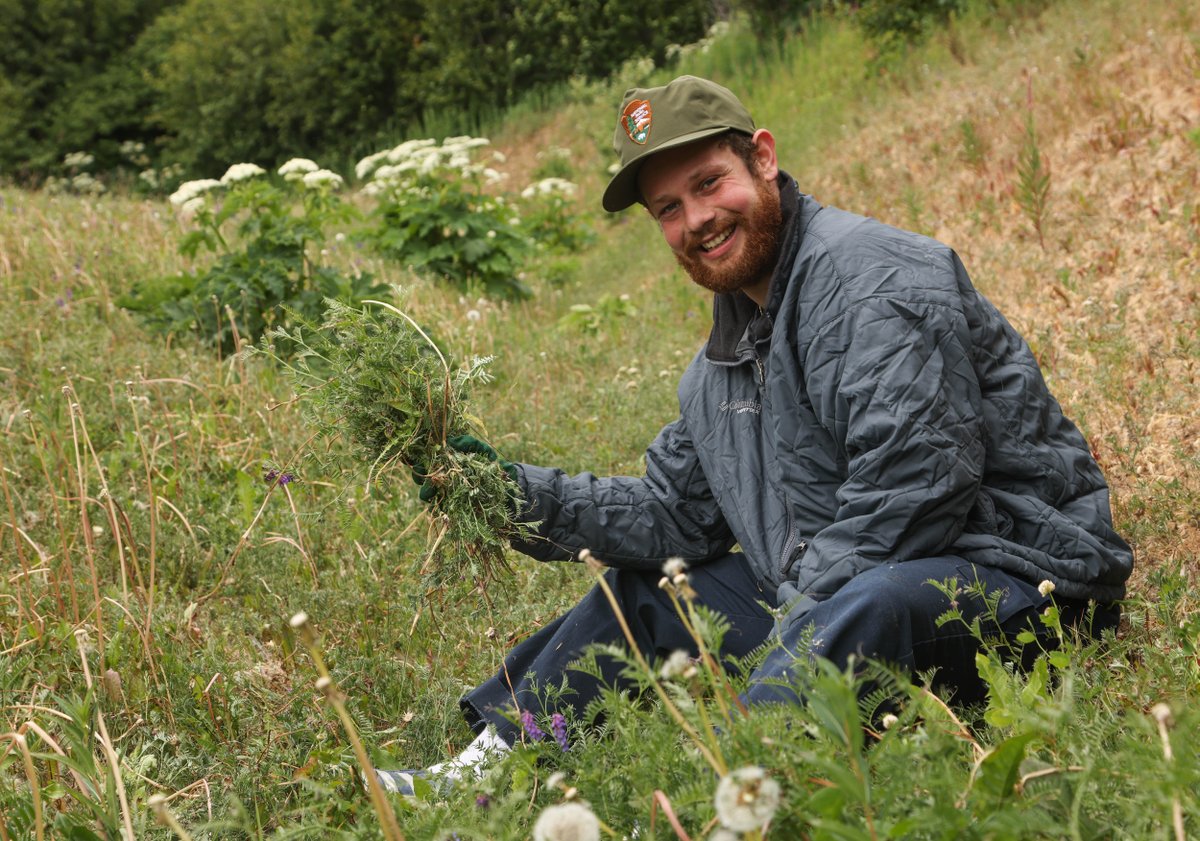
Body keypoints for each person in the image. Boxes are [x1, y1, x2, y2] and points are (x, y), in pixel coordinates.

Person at [376, 75, 1133, 794]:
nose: (695, 219)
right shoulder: (721, 365)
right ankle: (484, 772)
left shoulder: (870, 280)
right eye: (668, 208)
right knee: (646, 590)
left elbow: (915, 490)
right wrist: (508, 495)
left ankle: (735, 793)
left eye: (709, 183)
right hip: (834, 597)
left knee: (869, 600)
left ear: (763, 158)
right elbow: (671, 515)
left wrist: (788, 633)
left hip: (1015, 580)